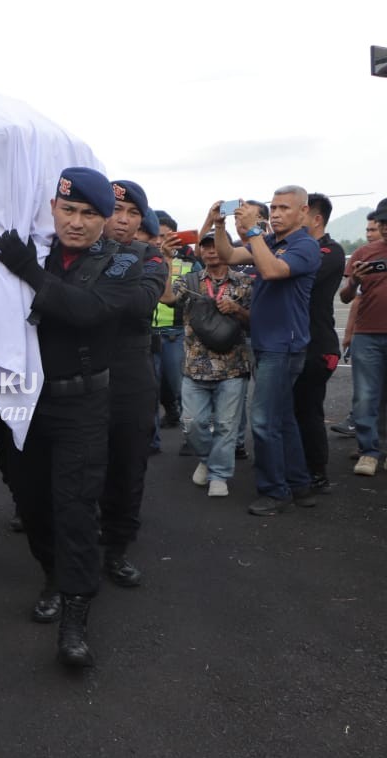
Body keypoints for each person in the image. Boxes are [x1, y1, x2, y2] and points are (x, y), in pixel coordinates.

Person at [0, 167, 139, 669]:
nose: (76, 222)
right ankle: (52, 574)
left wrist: (30, 272)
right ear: (52, 208)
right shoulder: (32, 250)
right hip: (25, 400)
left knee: (75, 507)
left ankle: (76, 614)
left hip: (82, 405)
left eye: (89, 214)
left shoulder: (120, 262)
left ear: (106, 219)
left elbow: (86, 310)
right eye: (68, 210)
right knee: (31, 500)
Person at [211, 187, 321, 515]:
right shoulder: (272, 241)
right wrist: (220, 226)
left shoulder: (306, 246)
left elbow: (272, 270)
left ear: (303, 213)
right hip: (269, 343)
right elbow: (229, 257)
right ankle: (299, 485)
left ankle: (275, 492)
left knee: (262, 421)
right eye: (273, 207)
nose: (275, 213)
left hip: (282, 346)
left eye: (284, 208)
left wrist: (255, 230)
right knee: (282, 418)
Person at [97, 179, 168, 588]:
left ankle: (119, 547)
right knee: (83, 469)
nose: (122, 221)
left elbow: (141, 301)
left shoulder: (149, 256)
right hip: (82, 374)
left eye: (132, 214)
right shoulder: (67, 255)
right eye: (115, 210)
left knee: (128, 464)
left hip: (130, 375)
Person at [161, 233, 253, 497]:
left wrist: (237, 309)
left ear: (228, 248)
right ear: (200, 251)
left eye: (216, 246)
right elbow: (166, 298)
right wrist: (167, 258)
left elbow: (255, 322)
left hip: (233, 366)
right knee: (191, 423)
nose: (211, 251)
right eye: (206, 246)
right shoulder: (189, 280)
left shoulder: (245, 282)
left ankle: (219, 475)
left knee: (226, 425)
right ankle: (207, 459)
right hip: (194, 366)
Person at [292, 194, 344, 492]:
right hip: (296, 341)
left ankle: (317, 473)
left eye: (299, 212)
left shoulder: (330, 251)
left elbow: (294, 276)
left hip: (318, 345)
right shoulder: (297, 248)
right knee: (293, 409)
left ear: (316, 218)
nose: (291, 218)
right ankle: (298, 467)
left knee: (309, 410)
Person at [340, 198, 387, 477]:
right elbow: (346, 297)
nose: (385, 226)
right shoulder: (363, 253)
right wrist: (355, 280)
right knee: (365, 397)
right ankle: (368, 451)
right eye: (382, 222)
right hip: (368, 333)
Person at [150, 210, 201, 448]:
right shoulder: (144, 258)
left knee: (184, 391)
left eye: (165, 236)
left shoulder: (190, 262)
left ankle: (191, 440)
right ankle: (150, 442)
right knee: (149, 393)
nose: (160, 241)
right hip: (148, 333)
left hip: (176, 333)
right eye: (155, 235)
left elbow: (195, 293)